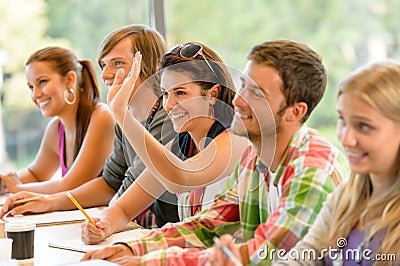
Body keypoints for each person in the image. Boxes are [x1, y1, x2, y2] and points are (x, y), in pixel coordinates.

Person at [81, 40, 348, 265]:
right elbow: (207, 226)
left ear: (296, 112)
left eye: (256, 93)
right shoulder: (254, 160)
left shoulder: (312, 167)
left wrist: (149, 260)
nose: (238, 100)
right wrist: (132, 250)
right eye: (243, 85)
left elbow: (263, 254)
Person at [0, 24, 179, 228]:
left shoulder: (169, 119)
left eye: (118, 63)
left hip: (167, 232)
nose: (105, 76)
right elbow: (109, 182)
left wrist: (103, 219)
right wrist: (49, 202)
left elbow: (129, 186)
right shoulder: (124, 122)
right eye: (104, 66)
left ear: (154, 66)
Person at [80, 42, 250, 244]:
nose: (168, 105)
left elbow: (179, 178)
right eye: (165, 94)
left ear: (212, 94)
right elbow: (123, 209)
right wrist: (102, 225)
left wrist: (123, 115)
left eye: (180, 93)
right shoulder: (180, 145)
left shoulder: (236, 139)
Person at [272, 61, 400, 265]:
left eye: (364, 126)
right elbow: (305, 257)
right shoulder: (346, 197)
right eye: (342, 120)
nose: (346, 139)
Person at [0, 46, 115, 194]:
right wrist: (4, 183)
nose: (35, 95)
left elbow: (71, 186)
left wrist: (18, 189)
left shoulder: (101, 117)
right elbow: (36, 174)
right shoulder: (56, 128)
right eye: (31, 87)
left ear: (69, 80)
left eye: (42, 82)